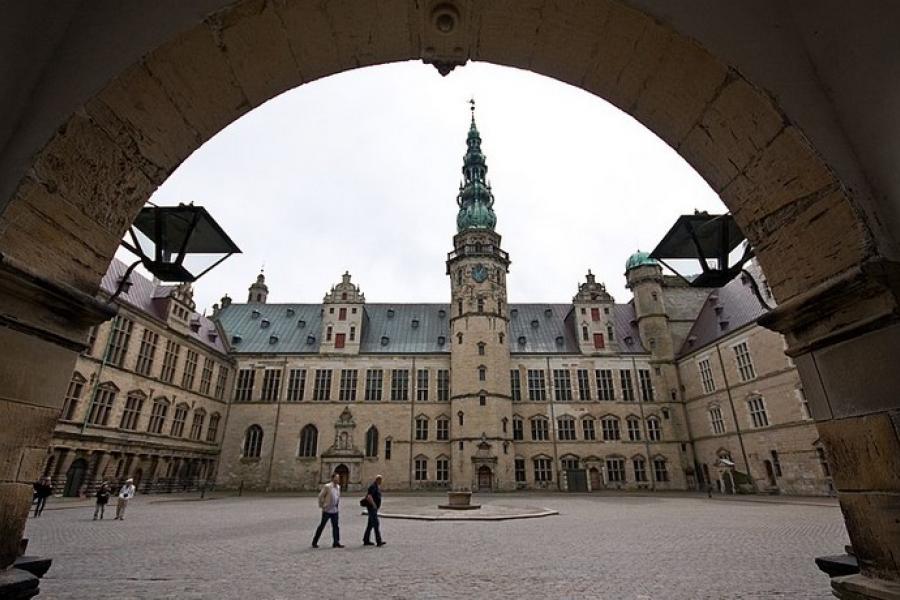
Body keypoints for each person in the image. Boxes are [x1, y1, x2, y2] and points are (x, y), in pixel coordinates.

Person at [312, 472, 343, 548]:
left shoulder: (338, 487)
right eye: (336, 478)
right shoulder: (327, 486)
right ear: (332, 478)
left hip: (335, 510)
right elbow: (320, 496)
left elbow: (337, 496)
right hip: (327, 510)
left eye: (338, 478)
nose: (337, 479)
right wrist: (322, 505)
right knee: (322, 526)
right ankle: (314, 541)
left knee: (336, 526)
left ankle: (336, 542)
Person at [363, 474, 385, 547]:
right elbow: (369, 496)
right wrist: (374, 504)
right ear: (378, 480)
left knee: (370, 525)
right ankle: (379, 541)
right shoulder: (373, 486)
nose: (381, 481)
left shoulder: (376, 486)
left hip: (373, 508)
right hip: (372, 508)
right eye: (380, 480)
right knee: (376, 524)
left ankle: (366, 539)